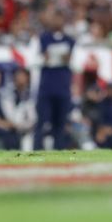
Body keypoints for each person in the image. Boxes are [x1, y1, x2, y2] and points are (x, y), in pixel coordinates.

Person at [30, 8, 75, 150]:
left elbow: (74, 62)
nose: (57, 21)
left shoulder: (70, 40)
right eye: (55, 18)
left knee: (60, 124)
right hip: (46, 87)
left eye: (60, 18)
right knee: (41, 123)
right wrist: (47, 58)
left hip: (63, 87)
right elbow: (36, 59)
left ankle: (59, 152)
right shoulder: (43, 38)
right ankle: (36, 151)